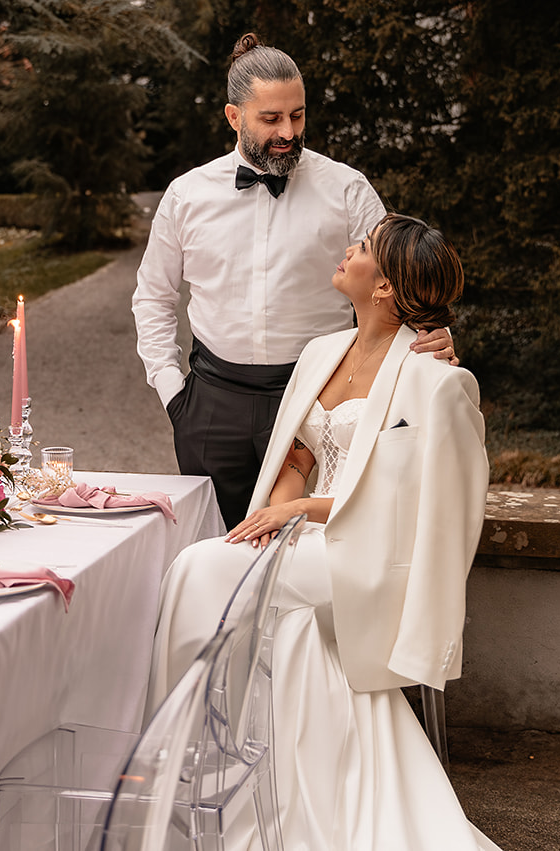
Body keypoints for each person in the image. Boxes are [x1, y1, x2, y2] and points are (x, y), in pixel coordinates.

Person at [147, 213, 497, 851]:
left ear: (386, 286)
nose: (346, 252)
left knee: (199, 571)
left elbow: (419, 505)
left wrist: (298, 514)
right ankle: (239, 786)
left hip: (368, 561)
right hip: (307, 544)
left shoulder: (436, 381)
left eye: (361, 249)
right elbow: (300, 457)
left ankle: (178, 763)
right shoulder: (321, 352)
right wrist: (276, 519)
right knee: (280, 620)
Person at [132, 34, 453, 528]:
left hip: (318, 402)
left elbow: (397, 277)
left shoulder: (346, 188)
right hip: (212, 404)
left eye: (297, 116)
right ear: (234, 116)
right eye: (271, 118)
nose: (288, 131)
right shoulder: (186, 195)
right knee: (214, 549)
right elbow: (153, 297)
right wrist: (174, 395)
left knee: (306, 548)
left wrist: (433, 336)